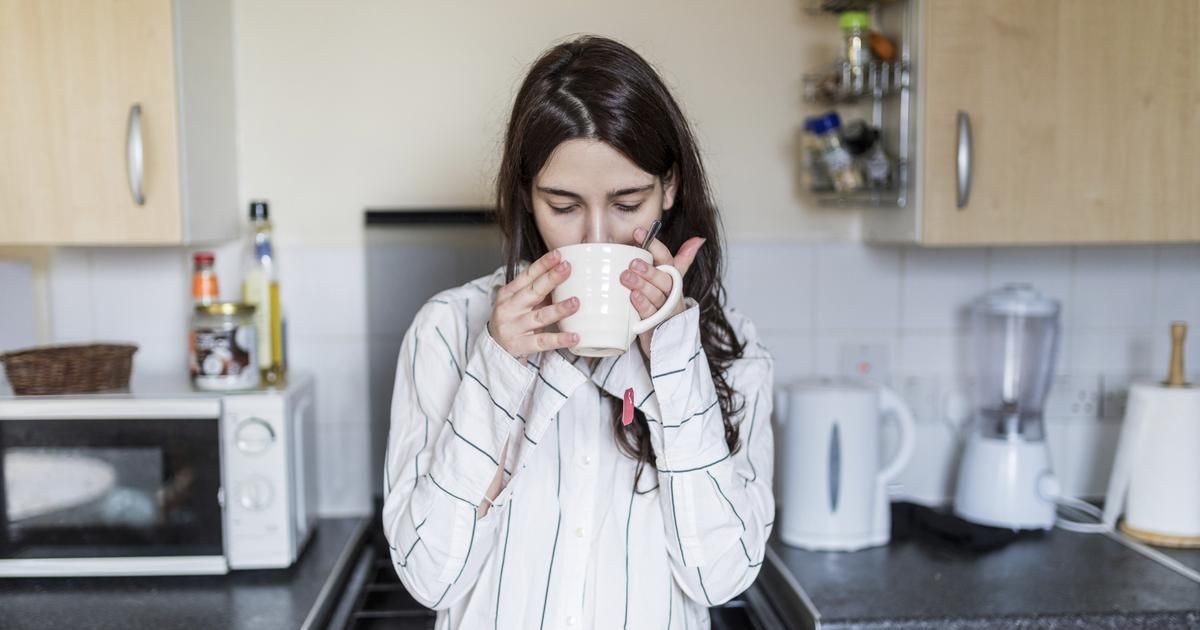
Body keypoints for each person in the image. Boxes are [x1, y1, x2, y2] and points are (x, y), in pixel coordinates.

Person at [382, 35, 775, 630]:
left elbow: (716, 579)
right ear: (526, 194)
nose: (597, 239)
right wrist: (497, 370)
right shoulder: (445, 332)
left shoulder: (731, 352)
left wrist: (673, 361)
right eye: (563, 206)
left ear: (668, 187)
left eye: (628, 202)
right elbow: (431, 578)